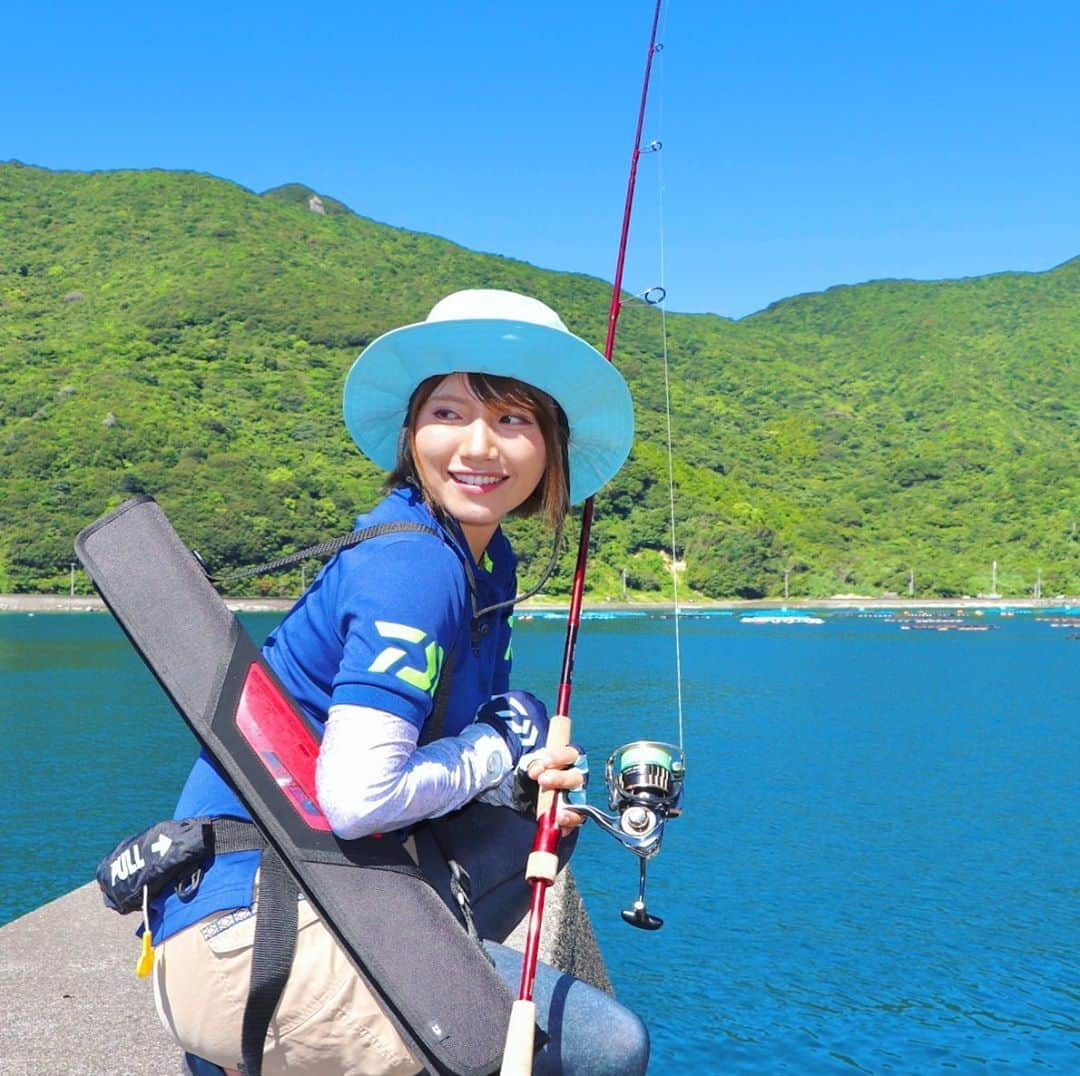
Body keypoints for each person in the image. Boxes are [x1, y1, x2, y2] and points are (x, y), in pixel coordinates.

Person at [149, 288, 648, 1075]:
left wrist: (511, 764)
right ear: (411, 431)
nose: (479, 446)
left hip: (243, 893)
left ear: (551, 448)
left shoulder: (482, 561)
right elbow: (360, 797)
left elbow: (425, 750)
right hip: (252, 938)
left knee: (532, 825)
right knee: (609, 1047)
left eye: (514, 420)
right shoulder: (416, 567)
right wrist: (497, 744)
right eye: (449, 413)